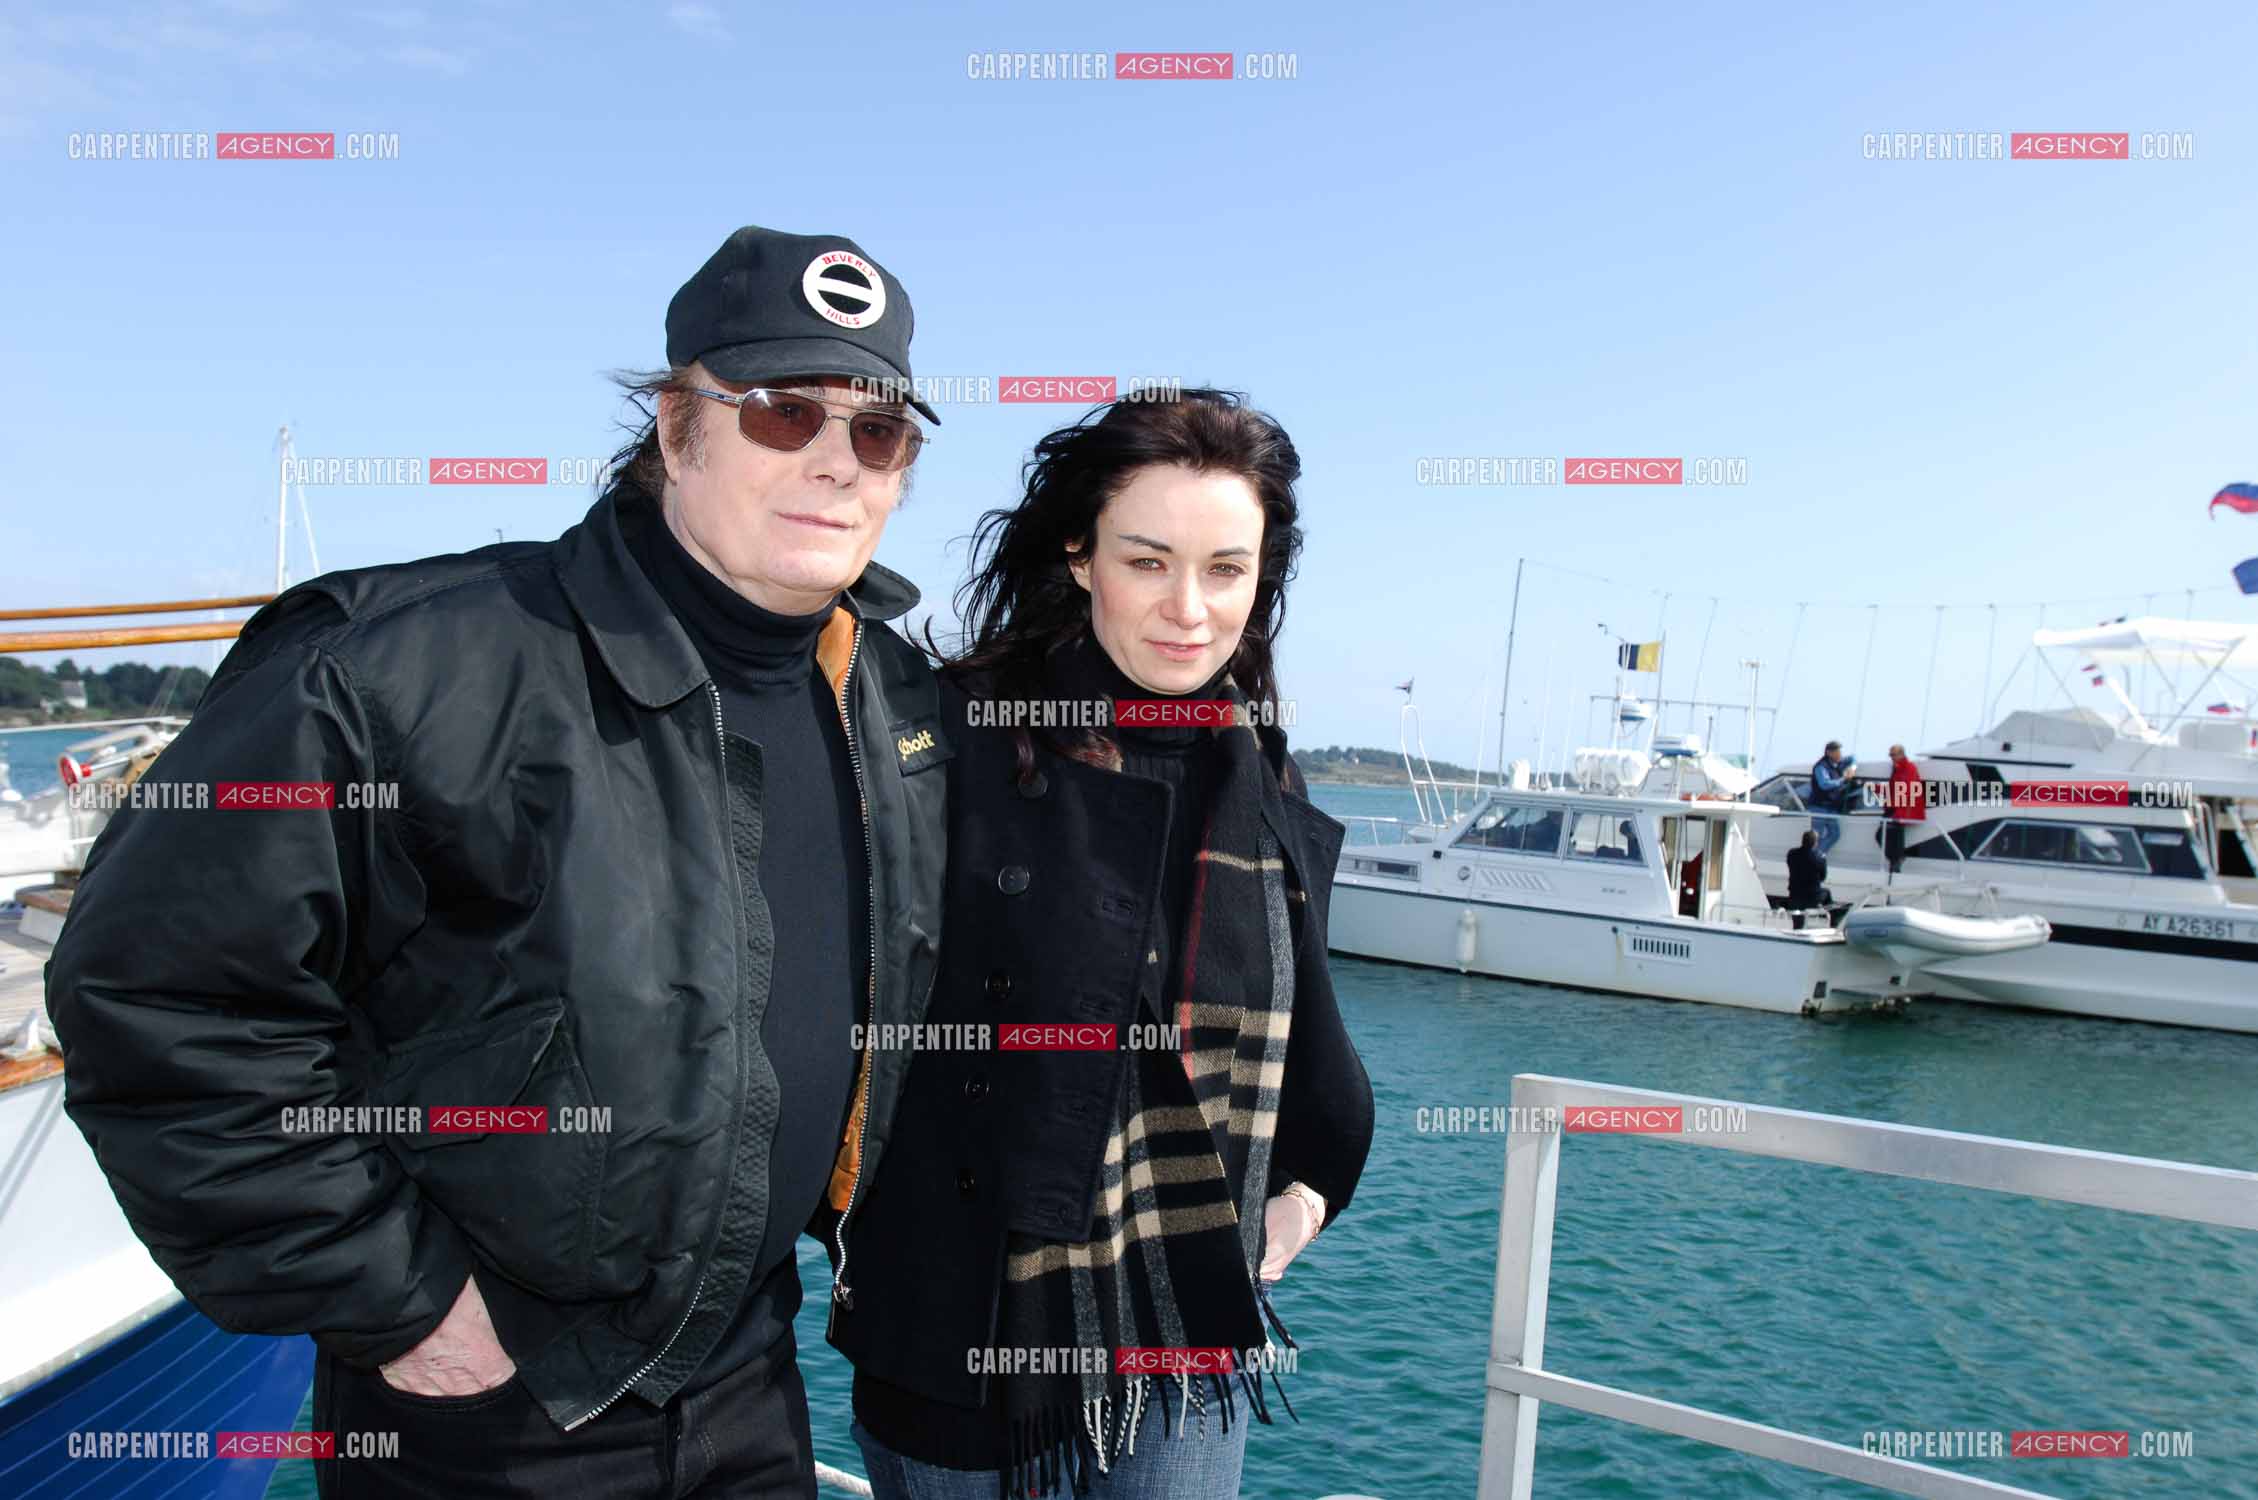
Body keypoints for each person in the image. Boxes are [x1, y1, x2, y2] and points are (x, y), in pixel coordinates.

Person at [46, 224, 948, 1499]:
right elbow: (159, 996)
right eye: (783, 410)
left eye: (878, 431)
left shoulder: (886, 704)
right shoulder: (395, 669)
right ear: (675, 421)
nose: (833, 461)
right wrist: (400, 1299)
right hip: (484, 1410)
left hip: (747, 1378)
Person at [831, 391, 1375, 1499]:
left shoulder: (1256, 767)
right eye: (1147, 561)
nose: (1188, 609)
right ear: (1079, 556)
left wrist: (1313, 1182)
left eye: (1226, 570)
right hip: (955, 1307)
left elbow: (1306, 1019)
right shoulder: (952, 738)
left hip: (1182, 1314)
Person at [1883, 742, 1926, 877]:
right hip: (1894, 807)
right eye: (1890, 755)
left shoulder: (1908, 768)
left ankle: (1896, 860)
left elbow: (1906, 790)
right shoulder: (1897, 768)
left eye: (1893, 755)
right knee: (1891, 835)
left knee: (1891, 834)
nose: (1891, 757)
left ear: (1901, 754)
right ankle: (1896, 860)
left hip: (1903, 809)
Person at [1808, 740, 1856, 855]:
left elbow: (1853, 758)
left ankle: (1817, 855)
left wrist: (1852, 769)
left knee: (1834, 834)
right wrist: (1843, 779)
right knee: (1815, 836)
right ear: (1829, 753)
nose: (1839, 754)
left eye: (1839, 751)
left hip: (1831, 807)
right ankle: (1812, 857)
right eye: (1836, 752)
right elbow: (1824, 784)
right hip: (1819, 807)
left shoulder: (1838, 763)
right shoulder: (1821, 767)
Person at [1786, 829, 1831, 910]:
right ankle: (1832, 918)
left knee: (1798, 920)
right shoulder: (1820, 858)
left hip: (1795, 895)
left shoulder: (1791, 854)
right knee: (1827, 893)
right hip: (1812, 897)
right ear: (1815, 843)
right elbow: (1822, 878)